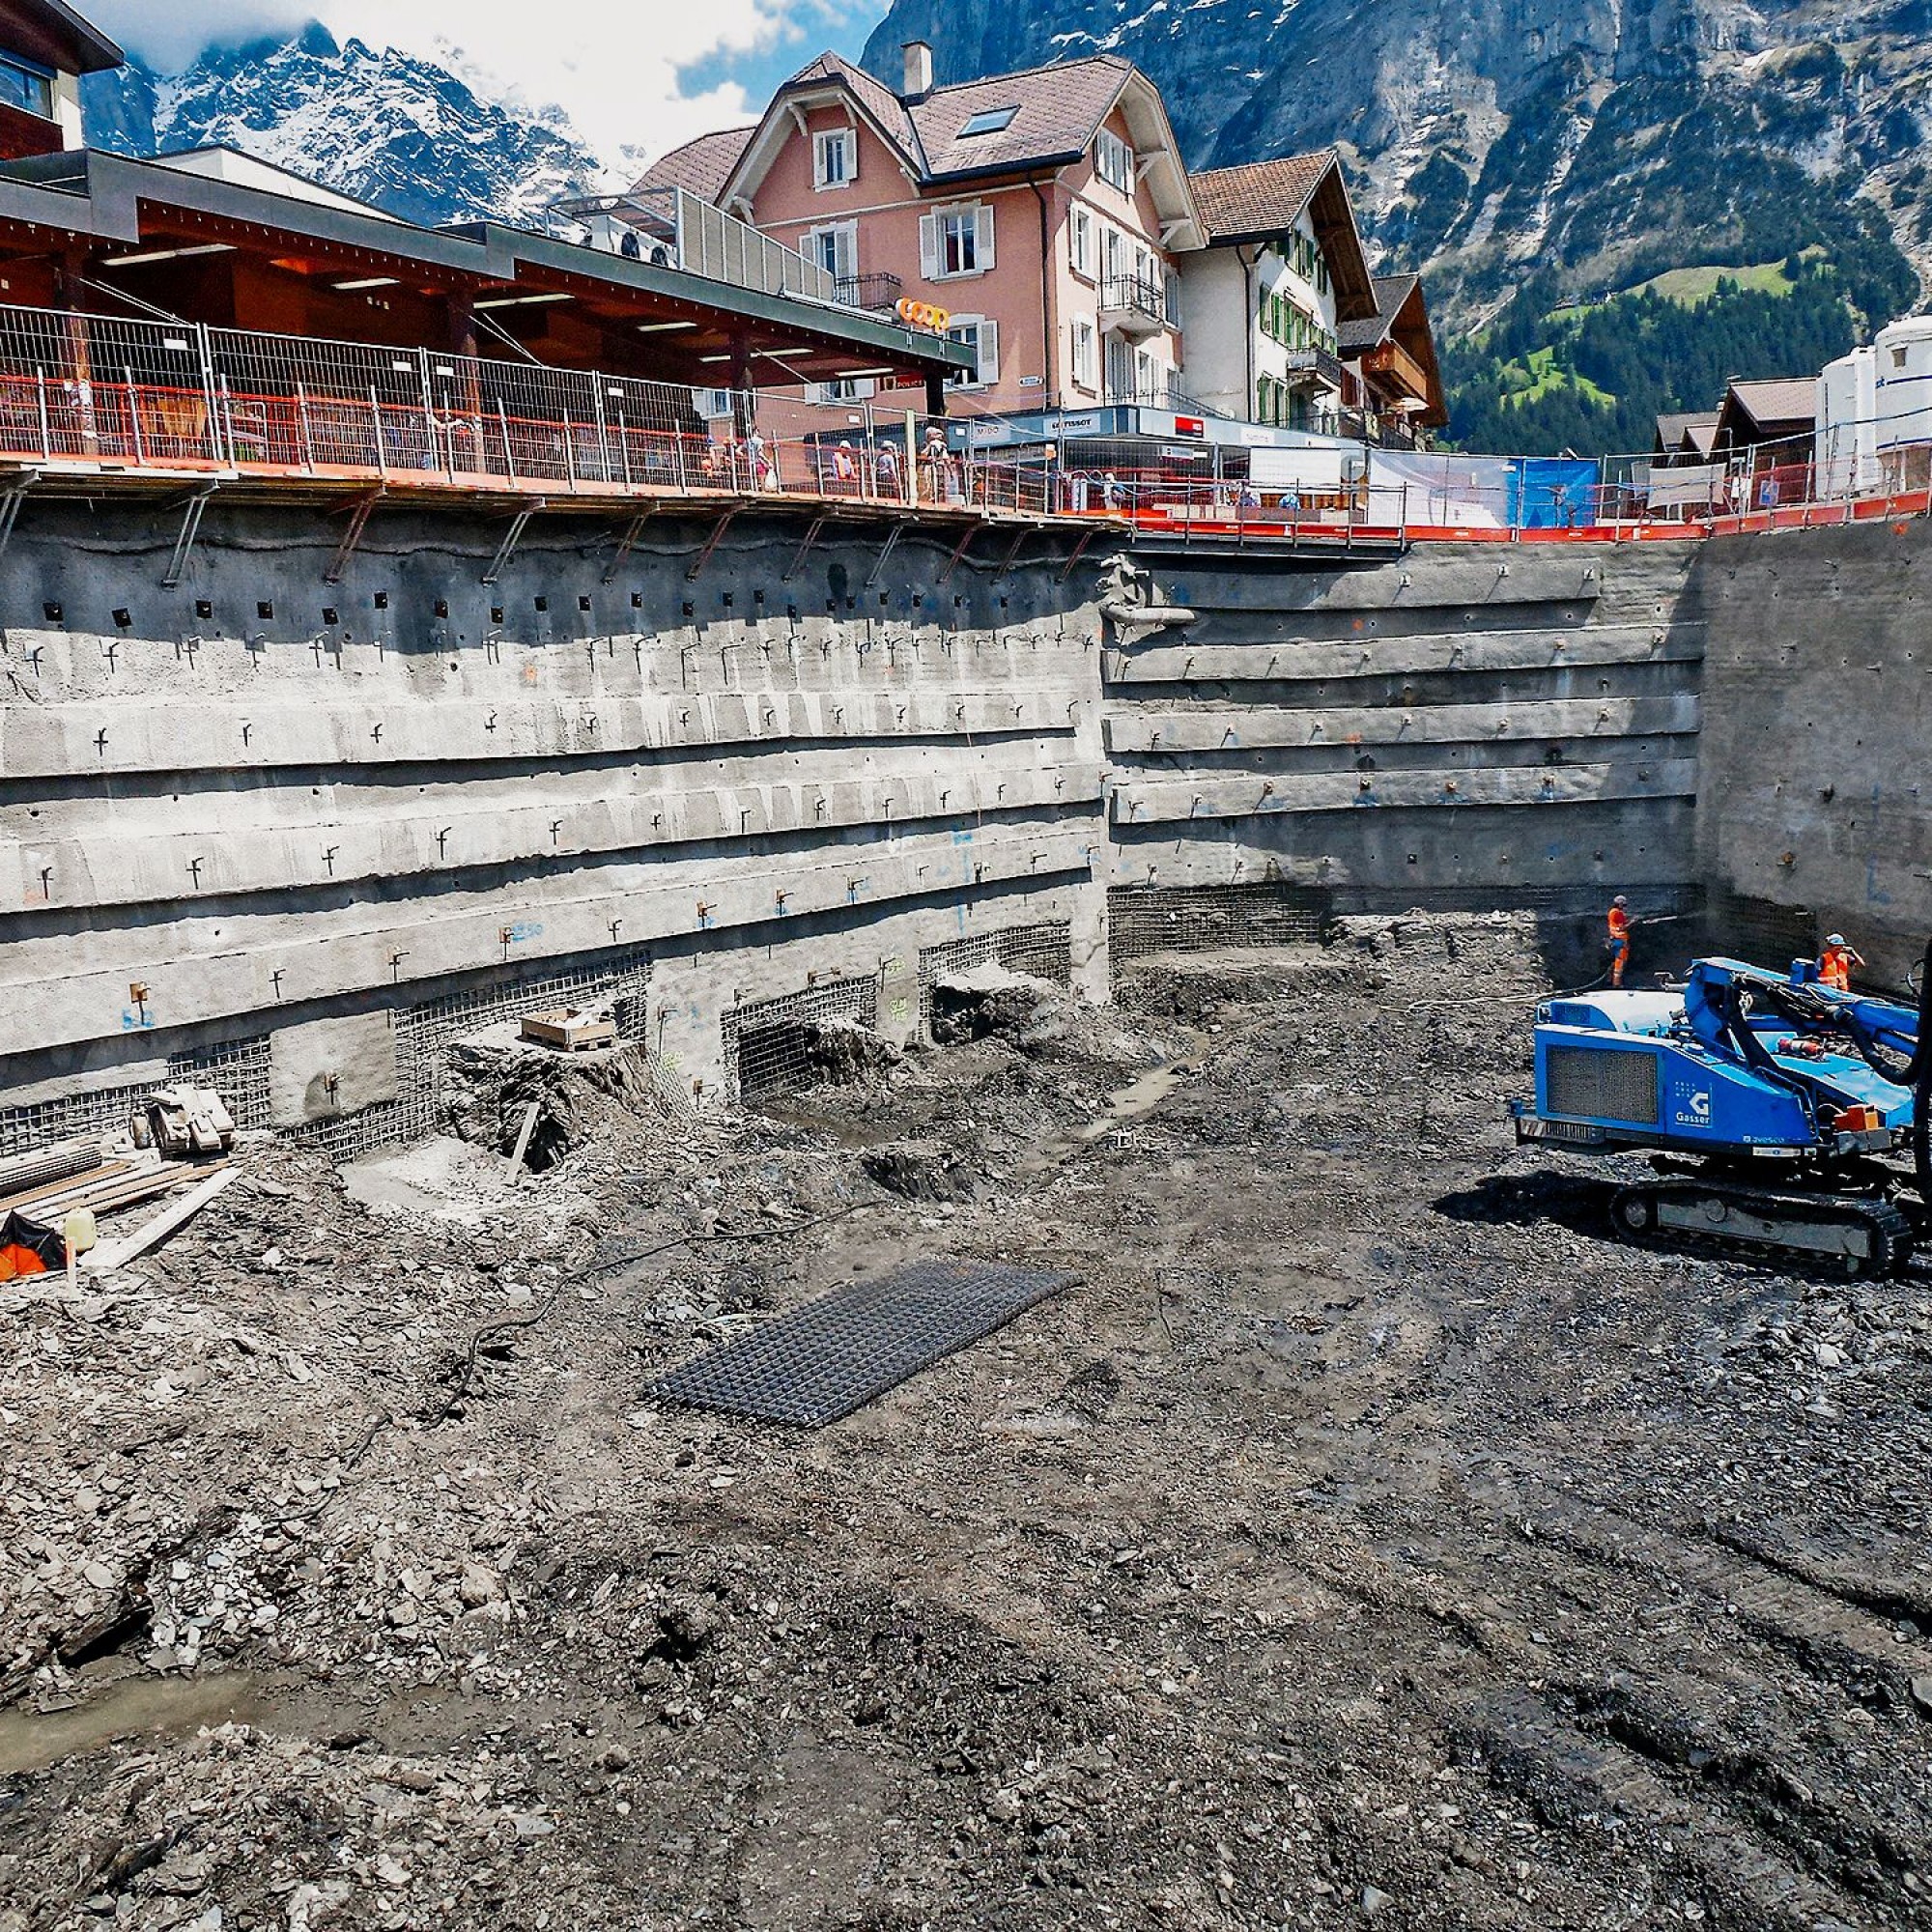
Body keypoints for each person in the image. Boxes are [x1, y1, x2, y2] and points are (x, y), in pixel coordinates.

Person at [1607, 895, 1634, 988]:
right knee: (1620, 962)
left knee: (1617, 961)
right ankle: (1616, 983)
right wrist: (1632, 922)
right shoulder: (1617, 913)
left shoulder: (1612, 912)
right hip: (1620, 940)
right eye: (1624, 905)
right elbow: (1622, 927)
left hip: (1616, 939)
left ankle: (1613, 980)